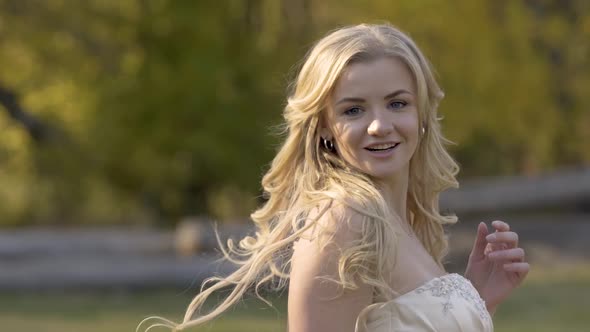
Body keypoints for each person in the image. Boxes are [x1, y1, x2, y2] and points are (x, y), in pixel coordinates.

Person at [138, 23, 529, 332]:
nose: (379, 125)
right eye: (353, 110)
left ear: (422, 114)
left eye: (397, 103)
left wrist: (476, 298)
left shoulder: (401, 222)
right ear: (324, 125)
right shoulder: (344, 222)